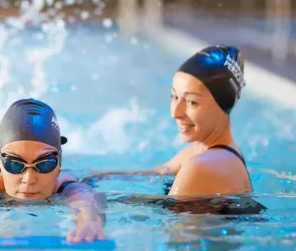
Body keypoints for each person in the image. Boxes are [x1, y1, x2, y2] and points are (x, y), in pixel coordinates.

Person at [0, 98, 106, 243]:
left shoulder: (67, 185)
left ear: (59, 165)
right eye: (14, 164)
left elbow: (86, 205)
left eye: (45, 164)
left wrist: (89, 221)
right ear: (0, 164)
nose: (29, 179)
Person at [92, 45, 252, 197]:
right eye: (174, 96)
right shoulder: (205, 151)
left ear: (223, 105)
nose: (175, 113)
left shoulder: (201, 166)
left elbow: (167, 223)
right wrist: (86, 178)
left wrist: (88, 205)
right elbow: (155, 173)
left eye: (191, 102)